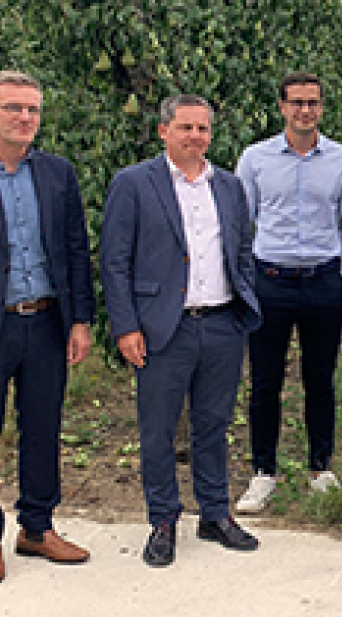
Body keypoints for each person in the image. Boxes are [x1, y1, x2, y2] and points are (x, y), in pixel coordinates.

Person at [101, 94, 262, 568]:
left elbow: (242, 250)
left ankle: (214, 513)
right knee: (158, 428)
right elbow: (115, 261)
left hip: (221, 324)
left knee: (213, 424)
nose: (195, 136)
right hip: (162, 327)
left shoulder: (229, 186)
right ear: (164, 131)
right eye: (185, 127)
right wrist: (126, 326)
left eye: (202, 128)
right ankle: (163, 520)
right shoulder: (134, 183)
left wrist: (243, 303)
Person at [0, 70, 95, 585]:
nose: (25, 117)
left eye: (32, 109)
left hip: (46, 322)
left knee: (43, 428)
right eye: (13, 108)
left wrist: (81, 320)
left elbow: (75, 250)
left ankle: (37, 527)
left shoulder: (56, 174)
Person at [233, 71, 342, 513]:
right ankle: (263, 472)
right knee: (264, 381)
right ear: (282, 107)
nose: (306, 111)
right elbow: (240, 222)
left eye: (313, 103)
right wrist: (245, 279)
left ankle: (321, 468)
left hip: (324, 281)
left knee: (320, 379)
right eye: (297, 103)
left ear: (322, 107)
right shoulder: (255, 159)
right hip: (270, 281)